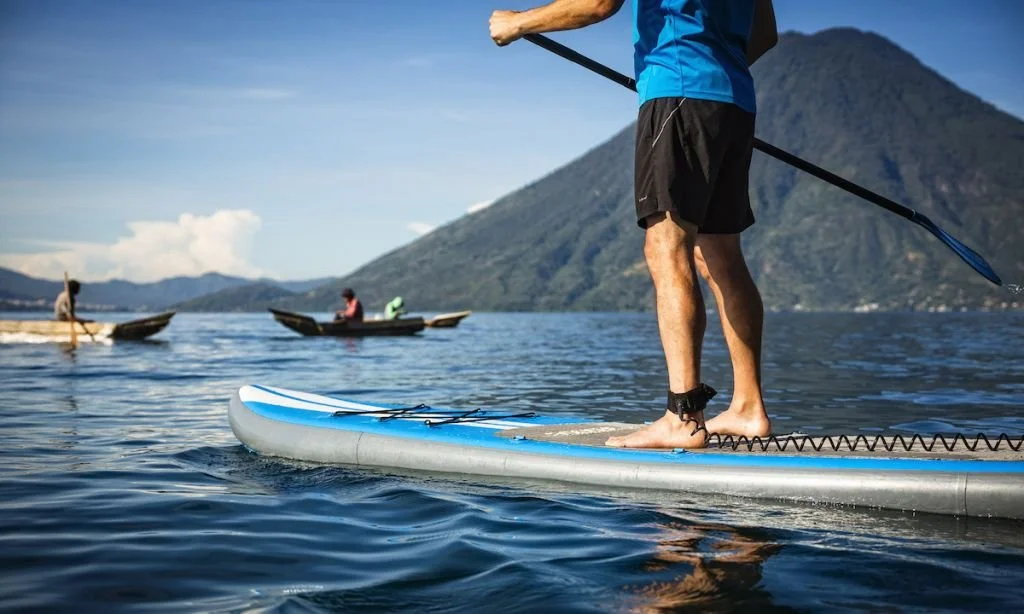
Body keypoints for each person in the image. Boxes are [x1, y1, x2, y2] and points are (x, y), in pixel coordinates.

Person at [489, 0, 777, 448]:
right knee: (720, 254)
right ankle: (748, 408)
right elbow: (765, 34)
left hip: (678, 90)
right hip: (734, 99)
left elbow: (598, 4)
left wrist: (518, 24)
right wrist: (714, 63)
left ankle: (682, 417)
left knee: (668, 248)